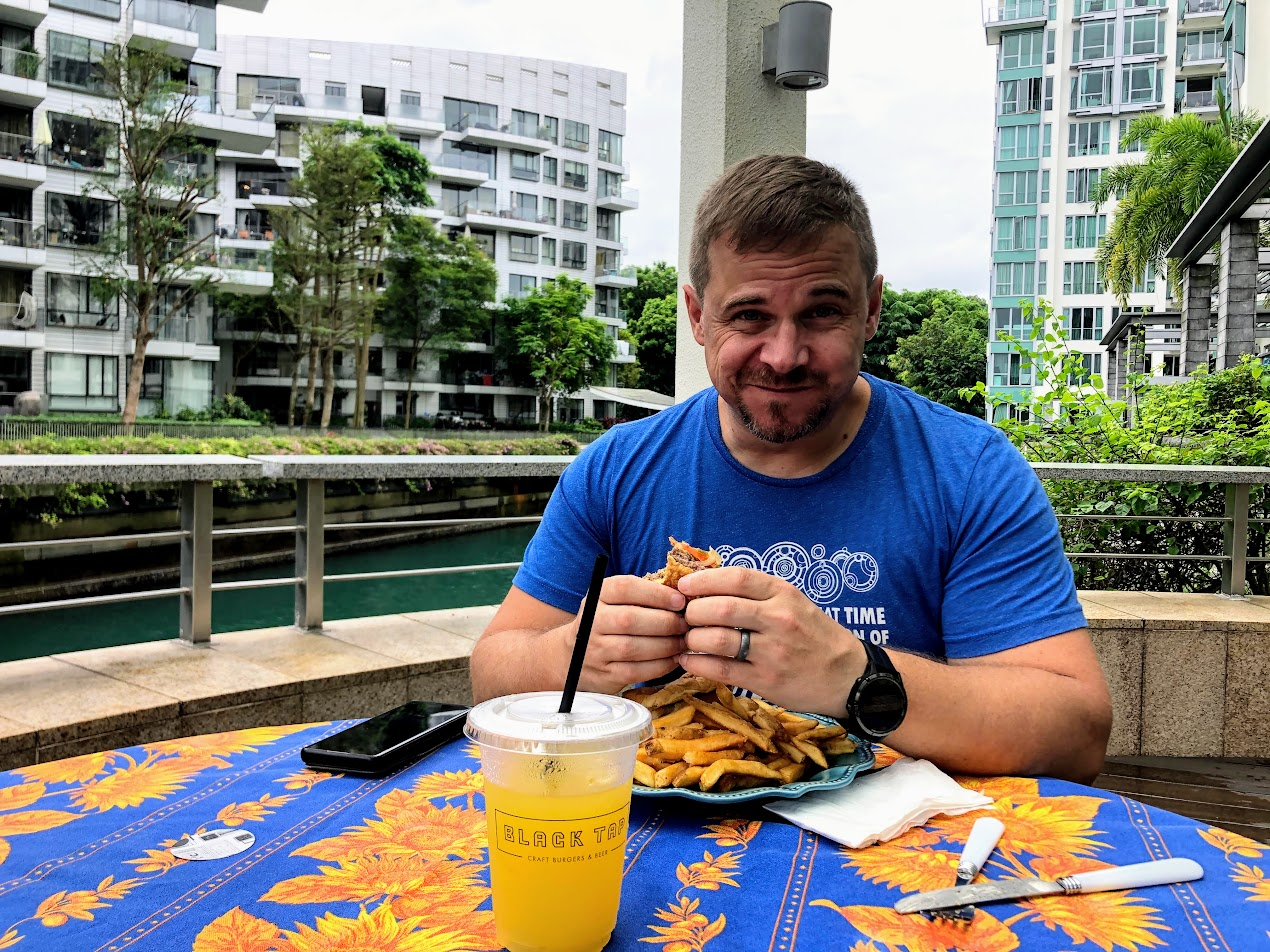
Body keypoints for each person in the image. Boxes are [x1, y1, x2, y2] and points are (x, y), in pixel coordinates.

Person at [470, 155, 1112, 783]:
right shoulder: (616, 470)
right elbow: (490, 675)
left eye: (822, 311)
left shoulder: (969, 472)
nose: (783, 356)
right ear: (697, 316)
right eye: (749, 315)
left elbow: (1076, 733)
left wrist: (853, 675)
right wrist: (571, 655)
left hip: (904, 842)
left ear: (871, 309)